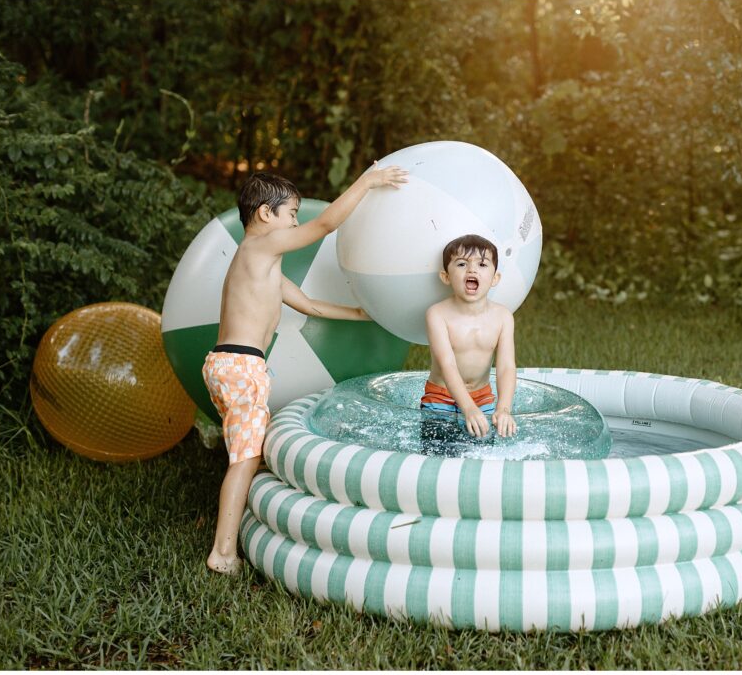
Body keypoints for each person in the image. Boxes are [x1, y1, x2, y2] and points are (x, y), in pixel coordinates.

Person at [201, 165, 407, 575]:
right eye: (291, 213)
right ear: (264, 214)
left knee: (248, 453)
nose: (296, 221)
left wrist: (366, 314)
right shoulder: (259, 248)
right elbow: (327, 223)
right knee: (244, 460)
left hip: (226, 365)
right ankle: (222, 552)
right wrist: (367, 182)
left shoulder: (262, 267)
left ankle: (245, 522)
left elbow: (311, 306)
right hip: (242, 366)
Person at [421, 234, 517, 454]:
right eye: (462, 264)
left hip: (482, 397)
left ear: (495, 278)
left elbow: (506, 367)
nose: (472, 270)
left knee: (482, 457)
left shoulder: (503, 317)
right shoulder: (438, 314)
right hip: (440, 397)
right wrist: (467, 408)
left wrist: (503, 409)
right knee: (435, 455)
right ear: (446, 276)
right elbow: (447, 365)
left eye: (482, 264)